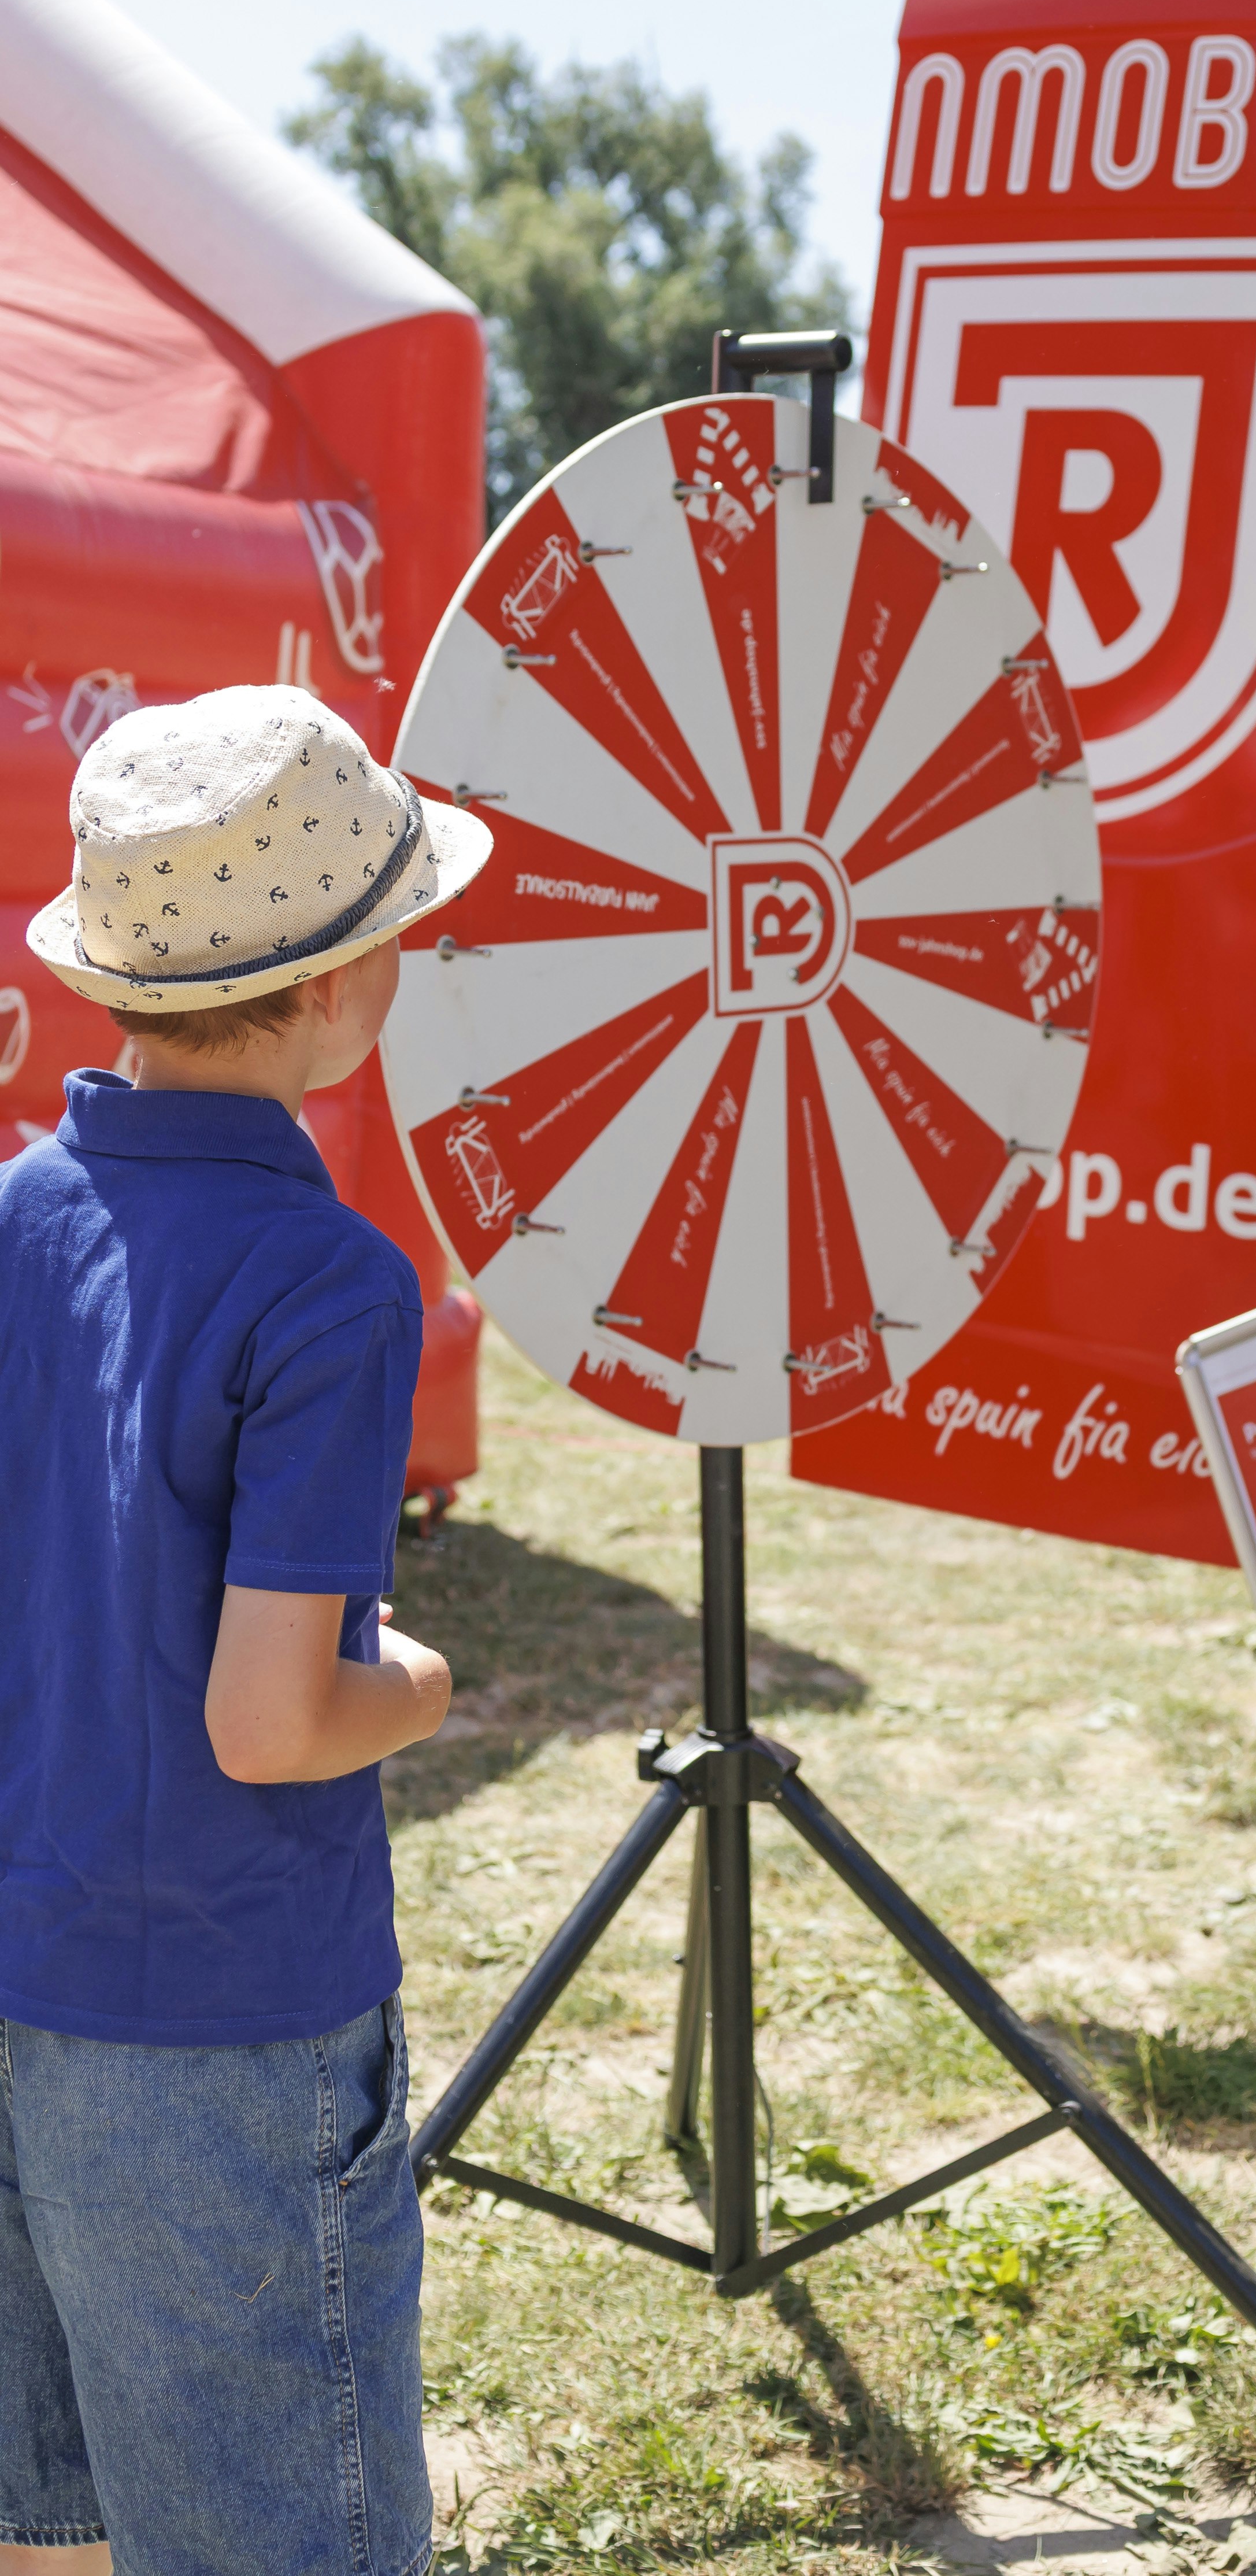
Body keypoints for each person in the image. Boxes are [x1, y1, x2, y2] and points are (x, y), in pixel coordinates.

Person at [0, 687, 493, 2575]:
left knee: (50, 2512)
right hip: (214, 2017)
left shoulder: (13, 1224)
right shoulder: (331, 1287)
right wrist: (425, 1684)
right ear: (336, 984)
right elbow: (275, 1724)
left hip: (19, 1962)